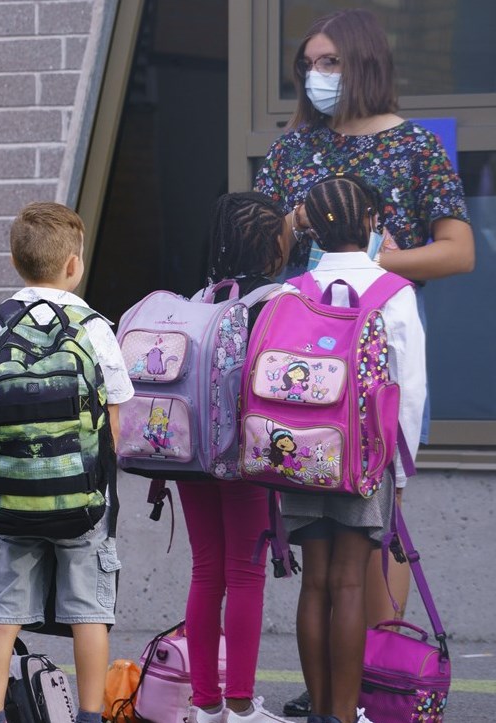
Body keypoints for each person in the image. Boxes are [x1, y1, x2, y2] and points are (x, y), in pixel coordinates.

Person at [251, 10, 473, 715]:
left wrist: (372, 265)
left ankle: (373, 670)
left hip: (381, 362)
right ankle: (333, 685)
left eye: (329, 63)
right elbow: (258, 247)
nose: (315, 77)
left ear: (363, 65)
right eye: (307, 65)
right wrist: (286, 237)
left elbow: (457, 249)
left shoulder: (413, 147)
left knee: (382, 521)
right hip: (301, 369)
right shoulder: (291, 150)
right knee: (319, 537)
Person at [0, 202, 132, 723]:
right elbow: (116, 423)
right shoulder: (95, 328)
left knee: (3, 614)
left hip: (9, 496)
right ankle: (86, 715)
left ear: (15, 260)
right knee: (89, 612)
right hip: (82, 498)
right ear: (73, 265)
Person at [283, 175, 425, 723]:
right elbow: (408, 390)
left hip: (297, 454)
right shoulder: (394, 291)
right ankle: (343, 715)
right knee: (348, 582)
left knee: (314, 581)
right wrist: (401, 468)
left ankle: (318, 709)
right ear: (371, 221)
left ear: (313, 229)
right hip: (364, 458)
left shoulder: (292, 291)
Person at [180, 194, 292, 723]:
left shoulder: (200, 299)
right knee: (246, 577)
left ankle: (206, 705)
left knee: (206, 571)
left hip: (190, 455)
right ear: (274, 244)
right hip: (247, 457)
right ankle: (243, 707)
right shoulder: (280, 301)